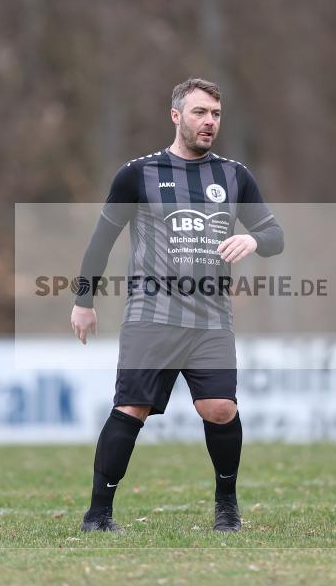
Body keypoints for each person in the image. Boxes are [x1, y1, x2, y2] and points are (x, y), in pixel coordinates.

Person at [71, 78, 284, 533]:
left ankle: (226, 508)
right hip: (152, 317)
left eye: (216, 115)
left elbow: (275, 237)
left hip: (211, 319)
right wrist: (83, 300)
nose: (209, 122)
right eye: (200, 113)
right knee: (131, 409)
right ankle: (98, 515)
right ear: (176, 116)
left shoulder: (234, 175)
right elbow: (101, 241)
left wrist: (251, 237)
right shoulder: (137, 174)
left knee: (220, 410)